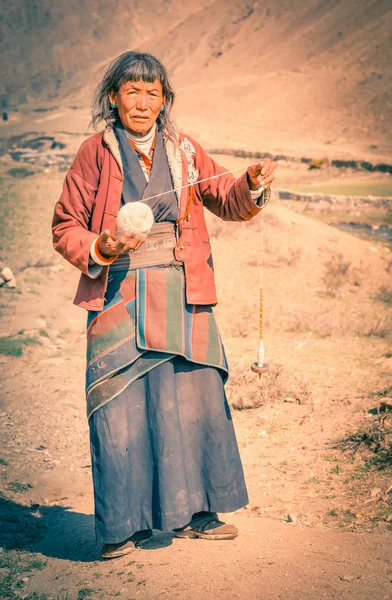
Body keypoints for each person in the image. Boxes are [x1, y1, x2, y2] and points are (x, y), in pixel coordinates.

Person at [52, 51, 276, 559]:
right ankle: (121, 527)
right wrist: (101, 248)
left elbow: (225, 194)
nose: (143, 102)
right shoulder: (96, 152)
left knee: (196, 397)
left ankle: (199, 513)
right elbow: (66, 224)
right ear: (114, 97)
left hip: (182, 290)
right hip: (120, 294)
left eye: (153, 93)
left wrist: (253, 184)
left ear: (164, 101)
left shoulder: (184, 150)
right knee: (120, 407)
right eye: (132, 91)